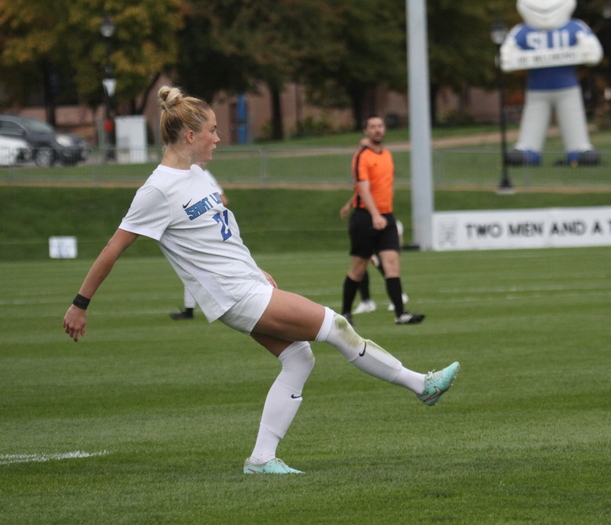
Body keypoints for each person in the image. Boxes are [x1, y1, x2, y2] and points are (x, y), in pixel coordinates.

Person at [62, 86, 460, 475]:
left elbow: (221, 237)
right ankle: (421, 385)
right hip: (235, 295)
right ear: (188, 136)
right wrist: (80, 304)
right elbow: (113, 248)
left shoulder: (199, 175)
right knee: (338, 326)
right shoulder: (157, 190)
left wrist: (256, 269)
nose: (218, 138)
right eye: (212, 131)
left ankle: (261, 459)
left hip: (246, 285)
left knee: (298, 357)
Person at [340, 116, 424, 325]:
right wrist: (375, 214)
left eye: (380, 126)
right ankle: (345, 315)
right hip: (365, 218)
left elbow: (385, 184)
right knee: (359, 268)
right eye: (373, 127)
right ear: (366, 131)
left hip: (386, 217)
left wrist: (386, 209)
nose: (377, 130)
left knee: (392, 264)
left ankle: (400, 314)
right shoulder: (362, 156)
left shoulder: (387, 155)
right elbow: (364, 188)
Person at [169, 167, 228, 320]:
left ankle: (230, 302)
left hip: (207, 233)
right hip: (194, 233)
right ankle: (189, 310)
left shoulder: (203, 175)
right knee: (191, 270)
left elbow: (223, 200)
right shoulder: (181, 176)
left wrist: (198, 208)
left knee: (209, 270)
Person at [340, 196, 408, 314]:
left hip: (378, 217)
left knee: (382, 262)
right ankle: (366, 301)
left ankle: (398, 304)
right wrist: (349, 204)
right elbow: (361, 190)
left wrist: (375, 214)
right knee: (360, 264)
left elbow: (365, 189)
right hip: (367, 218)